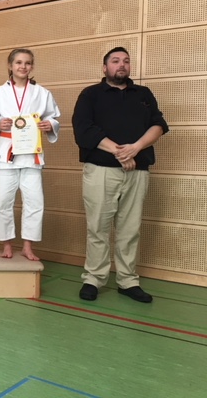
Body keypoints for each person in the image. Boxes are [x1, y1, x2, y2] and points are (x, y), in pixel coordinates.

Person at [72, 47, 168, 303]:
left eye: (126, 61)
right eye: (115, 61)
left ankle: (127, 280)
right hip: (101, 171)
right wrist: (120, 152)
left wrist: (136, 148)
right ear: (105, 68)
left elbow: (158, 125)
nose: (121, 65)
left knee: (130, 229)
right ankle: (94, 278)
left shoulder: (144, 94)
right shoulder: (90, 94)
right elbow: (83, 130)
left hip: (137, 172)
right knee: (98, 228)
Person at [0, 48, 60, 261]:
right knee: (3, 201)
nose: (23, 66)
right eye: (18, 62)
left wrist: (49, 125)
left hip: (31, 153)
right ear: (10, 66)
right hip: (7, 152)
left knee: (34, 201)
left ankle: (27, 246)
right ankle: (7, 244)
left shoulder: (41, 93)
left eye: (27, 63)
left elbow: (53, 117)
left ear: (32, 66)